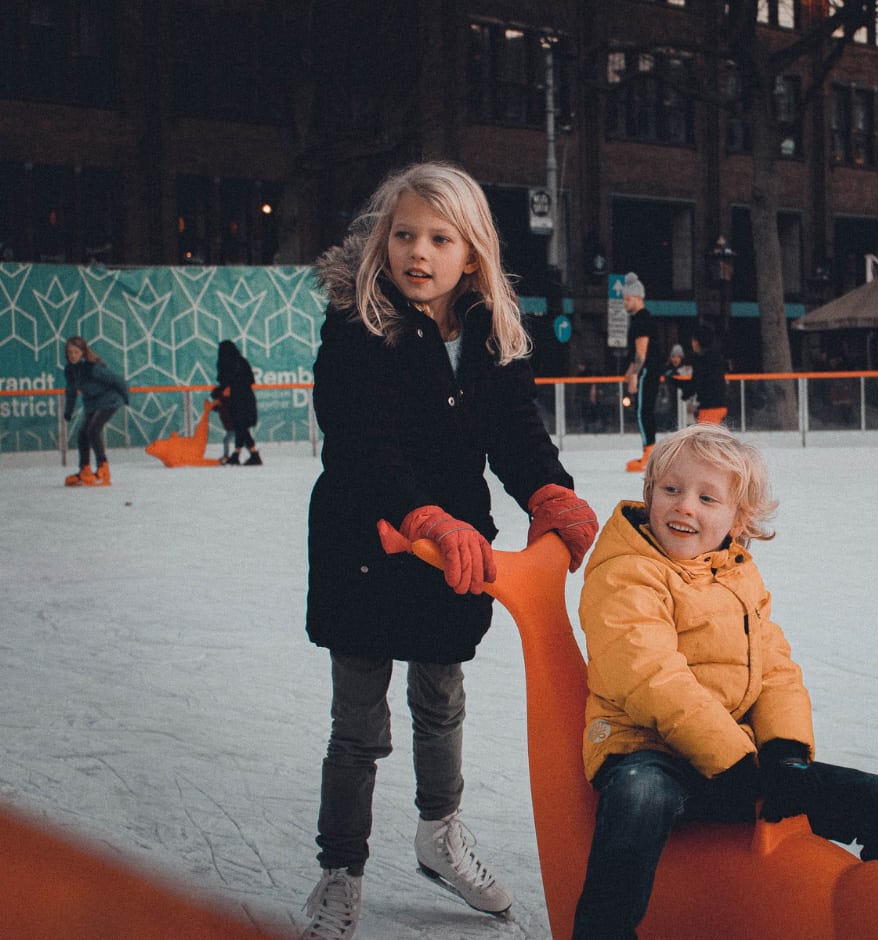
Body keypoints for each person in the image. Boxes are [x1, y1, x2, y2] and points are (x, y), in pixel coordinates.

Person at [300, 161, 600, 940]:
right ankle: (342, 869)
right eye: (404, 235)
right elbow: (364, 443)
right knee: (359, 725)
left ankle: (440, 832)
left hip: (456, 553)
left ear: (473, 251)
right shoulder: (356, 328)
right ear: (382, 243)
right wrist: (425, 517)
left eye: (439, 238)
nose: (418, 253)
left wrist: (549, 494)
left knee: (441, 700)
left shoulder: (492, 336)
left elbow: (517, 435)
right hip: (367, 544)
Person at [573, 424, 878, 939]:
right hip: (646, 749)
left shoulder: (738, 574)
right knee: (640, 794)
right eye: (671, 490)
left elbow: (774, 669)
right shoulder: (626, 573)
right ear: (649, 492)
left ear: (737, 518)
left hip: (734, 756)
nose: (685, 508)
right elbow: (650, 676)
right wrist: (735, 763)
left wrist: (786, 754)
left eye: (707, 497)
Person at [61, 336, 130, 487]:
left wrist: (126, 398)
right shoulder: (70, 370)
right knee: (82, 433)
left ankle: (103, 469)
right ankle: (84, 470)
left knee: (93, 430)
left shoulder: (92, 368)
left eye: (76, 352)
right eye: (70, 352)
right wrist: (68, 410)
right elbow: (71, 391)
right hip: (92, 403)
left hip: (110, 400)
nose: (73, 355)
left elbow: (117, 380)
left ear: (83, 352)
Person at [621, 272, 665, 472]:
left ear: (638, 298)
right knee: (644, 410)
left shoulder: (641, 320)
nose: (625, 303)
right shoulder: (642, 319)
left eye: (628, 299)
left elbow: (641, 353)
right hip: (648, 369)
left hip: (648, 370)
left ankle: (649, 455)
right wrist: (630, 371)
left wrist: (633, 375)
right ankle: (648, 453)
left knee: (643, 411)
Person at [210, 339, 261, 465]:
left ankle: (242, 455)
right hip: (246, 399)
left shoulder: (227, 364)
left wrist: (219, 394)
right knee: (241, 428)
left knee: (240, 427)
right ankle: (248, 454)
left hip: (237, 401)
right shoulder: (241, 362)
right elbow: (249, 380)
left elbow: (226, 384)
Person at [681, 324, 727, 425]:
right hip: (719, 405)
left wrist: (685, 393)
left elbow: (697, 381)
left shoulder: (701, 359)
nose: (692, 344)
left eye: (693, 340)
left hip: (710, 408)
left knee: (706, 438)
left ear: (697, 342)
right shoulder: (716, 356)